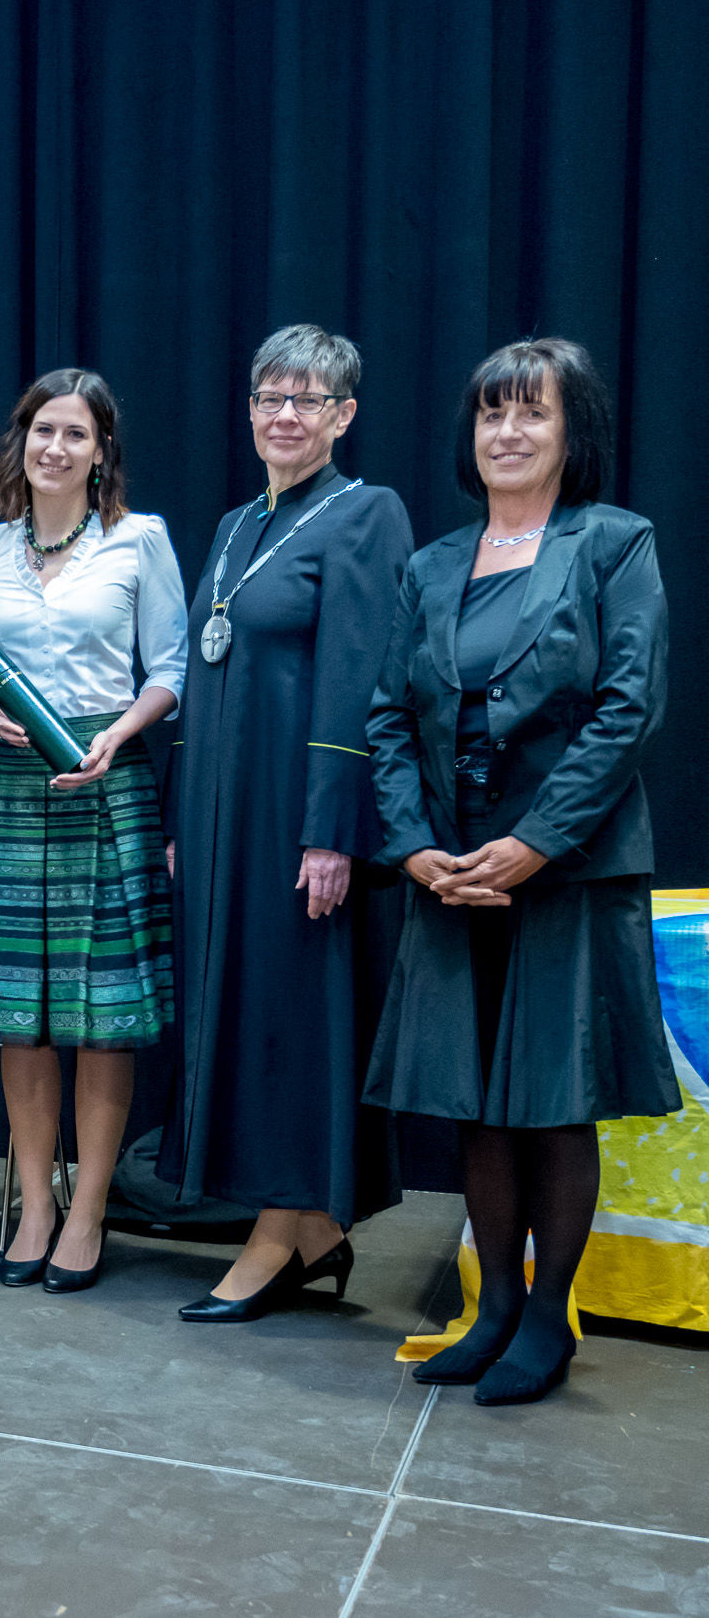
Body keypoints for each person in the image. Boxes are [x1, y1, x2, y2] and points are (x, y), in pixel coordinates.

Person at [365, 338, 673, 1405]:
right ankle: (492, 1305)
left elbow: (627, 708)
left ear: (569, 429)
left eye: (530, 412)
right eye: (491, 412)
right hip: (449, 869)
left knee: (551, 1099)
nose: (506, 431)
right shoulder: (430, 565)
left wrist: (535, 841)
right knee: (475, 1102)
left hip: (564, 867)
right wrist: (412, 845)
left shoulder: (614, 544)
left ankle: (547, 1319)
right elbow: (388, 716)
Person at [163, 324, 414, 1321]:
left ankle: (278, 1232)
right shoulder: (235, 524)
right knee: (239, 1008)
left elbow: (363, 678)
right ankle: (309, 1229)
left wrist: (330, 830)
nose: (283, 415)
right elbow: (203, 673)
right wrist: (181, 816)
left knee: (289, 1015)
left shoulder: (366, 514)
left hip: (295, 819)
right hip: (219, 818)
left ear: (342, 415)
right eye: (269, 396)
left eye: (305, 399)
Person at [0, 371, 184, 1292]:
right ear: (22, 441)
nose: (56, 447)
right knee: (19, 1019)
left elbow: (172, 668)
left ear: (101, 450)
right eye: (43, 430)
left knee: (102, 1022)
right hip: (10, 782)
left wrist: (120, 732)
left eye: (76, 434)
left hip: (106, 784)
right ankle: (35, 1203)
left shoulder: (139, 539)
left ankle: (88, 1208)